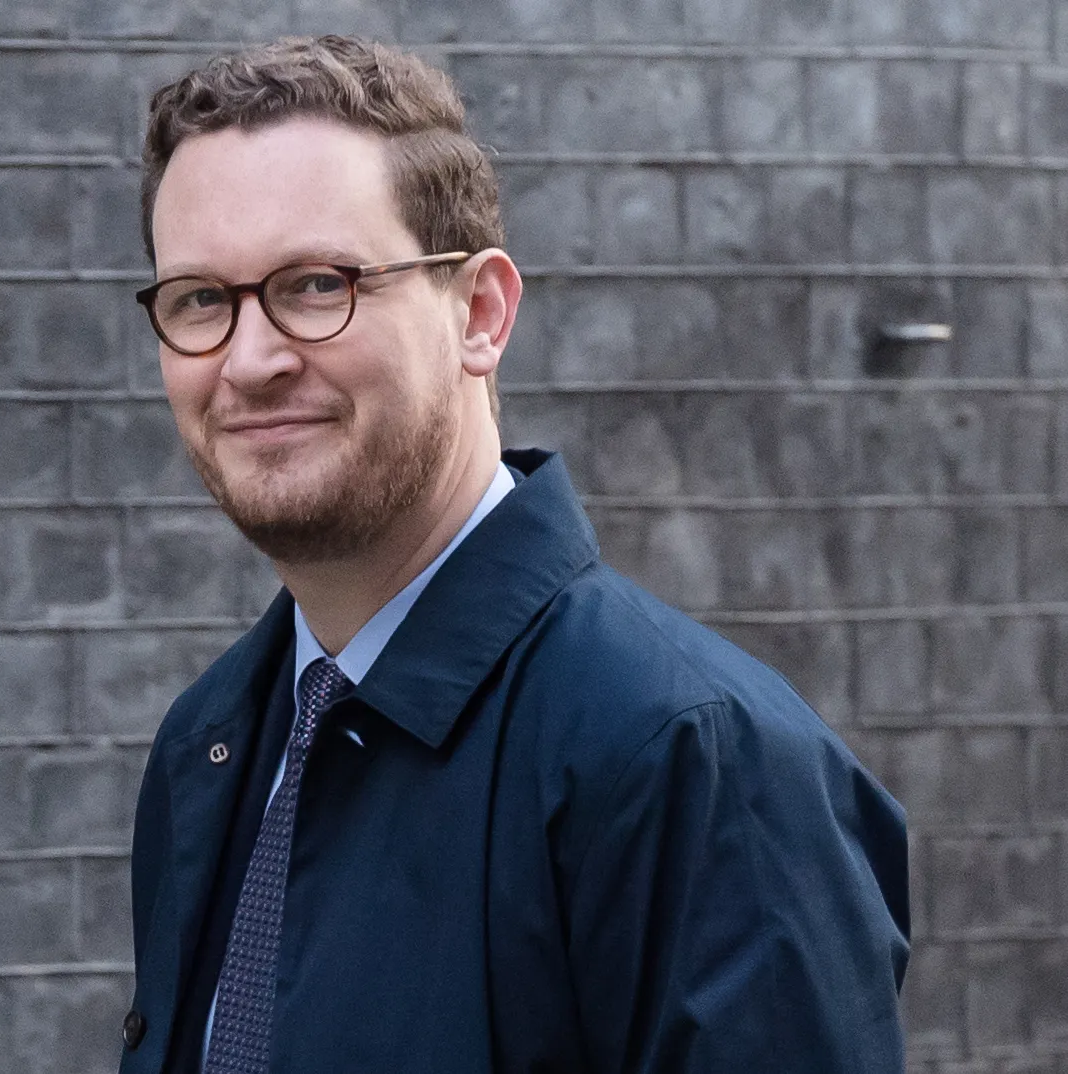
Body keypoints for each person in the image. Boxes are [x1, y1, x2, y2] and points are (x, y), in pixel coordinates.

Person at [121, 34, 910, 1074]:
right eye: (200, 301)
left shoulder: (697, 763)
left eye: (317, 284)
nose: (251, 359)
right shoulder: (212, 742)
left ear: (480, 314)